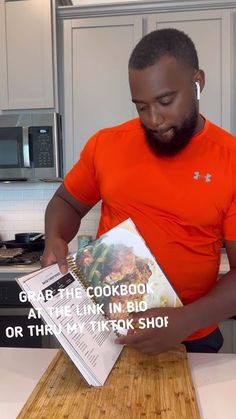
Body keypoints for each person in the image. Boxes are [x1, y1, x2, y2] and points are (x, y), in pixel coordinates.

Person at [42, 28, 236, 354]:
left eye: (165, 101)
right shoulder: (106, 145)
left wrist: (185, 321)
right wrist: (54, 237)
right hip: (104, 333)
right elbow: (66, 202)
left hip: (191, 338)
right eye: (141, 106)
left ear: (197, 82)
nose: (154, 120)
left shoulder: (229, 159)